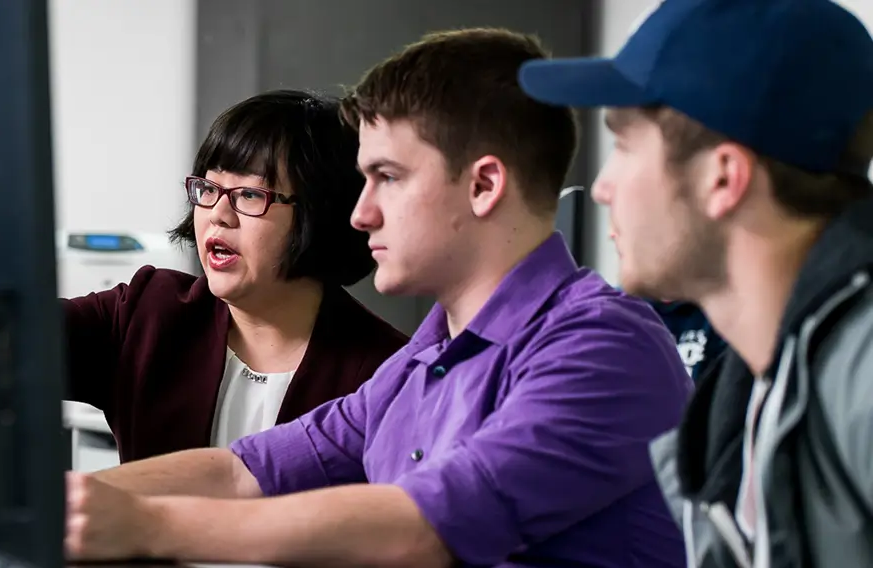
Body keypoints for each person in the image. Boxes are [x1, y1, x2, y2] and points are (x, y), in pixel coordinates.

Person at [61, 28, 691, 566]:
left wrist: (146, 525)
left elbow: (424, 528)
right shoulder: (417, 366)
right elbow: (239, 471)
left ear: (483, 186)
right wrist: (67, 509)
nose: (360, 214)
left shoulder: (602, 346)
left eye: (387, 177)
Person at [0, 90, 410, 464]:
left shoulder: (389, 372)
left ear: (320, 214)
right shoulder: (150, 315)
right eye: (208, 189)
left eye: (253, 196)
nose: (217, 215)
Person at [518, 0, 873, 566]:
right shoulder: (746, 398)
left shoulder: (860, 368)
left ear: (723, 177)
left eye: (625, 146)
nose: (603, 188)